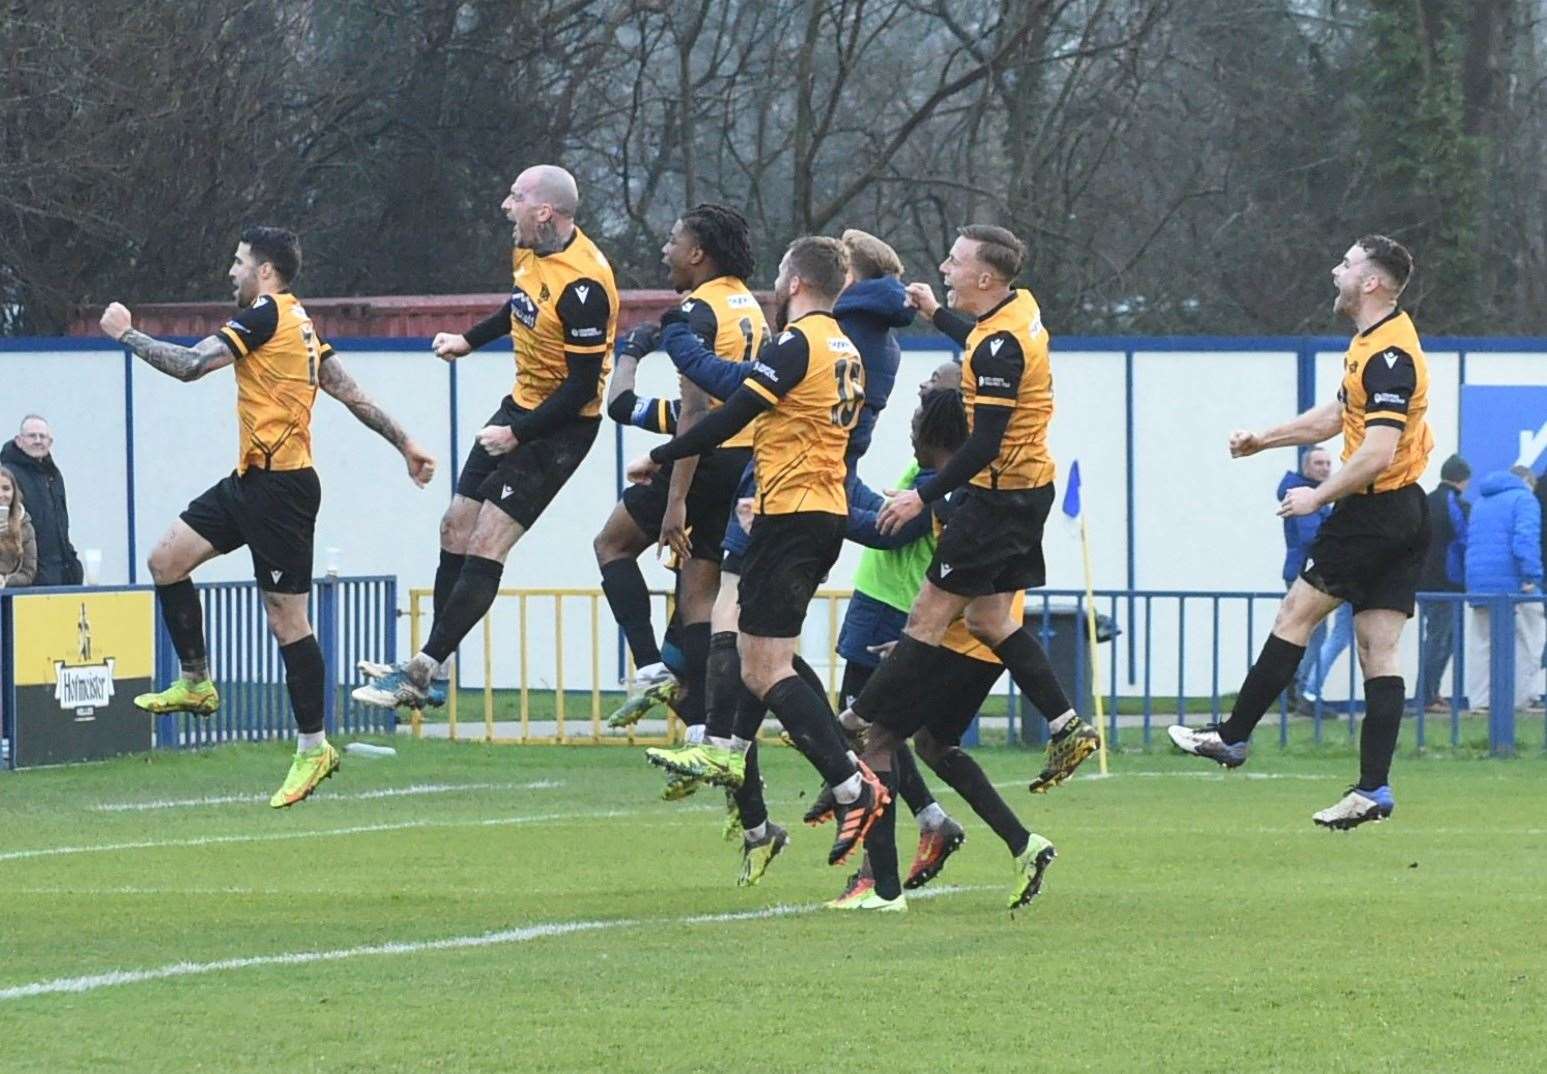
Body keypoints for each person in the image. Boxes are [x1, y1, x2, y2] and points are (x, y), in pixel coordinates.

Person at [99, 225, 435, 807]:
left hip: (283, 490)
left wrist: (125, 333)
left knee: (287, 622)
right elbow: (350, 393)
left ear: (266, 272)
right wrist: (405, 442)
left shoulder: (264, 315)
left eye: (238, 262)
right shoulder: (298, 324)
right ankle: (198, 682)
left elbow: (189, 366)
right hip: (251, 480)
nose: (231, 272)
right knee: (166, 560)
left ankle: (313, 748)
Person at [631, 235, 891, 873]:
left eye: (780, 277)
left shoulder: (800, 342)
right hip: (810, 510)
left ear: (796, 283)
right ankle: (727, 746)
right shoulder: (844, 348)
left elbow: (732, 410)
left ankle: (855, 786)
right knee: (754, 657)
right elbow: (744, 388)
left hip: (795, 512)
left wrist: (661, 455)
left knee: (769, 667)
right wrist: (684, 346)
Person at [837, 224, 1075, 911]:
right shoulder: (1010, 328)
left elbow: (905, 540)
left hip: (957, 634)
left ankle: (878, 885)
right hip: (968, 629)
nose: (945, 385)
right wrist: (933, 313)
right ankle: (1023, 842)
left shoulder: (954, 476)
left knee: (875, 736)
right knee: (935, 745)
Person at [1169, 235, 1432, 830]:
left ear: (1371, 282)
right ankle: (1372, 790)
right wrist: (1265, 439)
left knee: (1295, 614)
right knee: (1378, 648)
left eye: (1347, 263)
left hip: (1376, 511)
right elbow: (1335, 417)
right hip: (1404, 511)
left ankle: (1233, 736)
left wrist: (1318, 493)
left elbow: (1378, 451)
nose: (1335, 269)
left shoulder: (1390, 354)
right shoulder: (1373, 344)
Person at [355, 165, 617, 711]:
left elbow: (582, 388)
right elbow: (519, 308)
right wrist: (470, 340)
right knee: (454, 525)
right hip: (518, 410)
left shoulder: (587, 285)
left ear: (545, 211)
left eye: (516, 196)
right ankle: (436, 660)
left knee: (486, 542)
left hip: (560, 428)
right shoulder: (528, 250)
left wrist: (518, 436)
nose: (505, 204)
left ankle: (421, 670)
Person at [593, 204, 766, 749]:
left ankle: (649, 666)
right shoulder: (752, 307)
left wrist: (675, 501)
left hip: (708, 460)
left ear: (698, 254)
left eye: (673, 242)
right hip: (743, 461)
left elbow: (694, 413)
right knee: (698, 596)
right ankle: (700, 727)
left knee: (612, 545)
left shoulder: (697, 312)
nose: (664, 252)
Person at [1462, 465, 1543, 710]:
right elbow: (1525, 538)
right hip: (1514, 584)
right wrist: (1532, 574)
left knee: (1483, 644)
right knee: (1528, 640)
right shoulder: (1524, 498)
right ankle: (1520, 699)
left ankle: (1480, 702)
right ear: (1528, 481)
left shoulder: (1481, 501)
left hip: (1479, 583)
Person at [1278, 446, 1353, 708]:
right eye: (1319, 463)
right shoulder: (1305, 496)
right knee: (1308, 633)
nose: (1325, 468)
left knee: (1302, 631)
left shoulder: (1313, 495)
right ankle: (1298, 689)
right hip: (1307, 571)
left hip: (1305, 569)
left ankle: (1292, 687)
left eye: (1328, 463)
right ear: (1306, 467)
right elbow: (1311, 536)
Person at [1416, 454, 1470, 710]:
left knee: (1438, 637)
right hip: (1446, 582)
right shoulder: (1454, 504)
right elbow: (1462, 542)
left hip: (1422, 581)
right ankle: (1426, 696)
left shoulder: (1424, 501)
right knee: (1441, 639)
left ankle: (1430, 693)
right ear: (1463, 480)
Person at [0, 416, 82, 586]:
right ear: (19, 440)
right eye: (32, 436)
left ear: (50, 442)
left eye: (42, 436)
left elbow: (61, 526)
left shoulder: (54, 475)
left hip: (59, 575)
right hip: (26, 580)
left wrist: (73, 565)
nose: (38, 441)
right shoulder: (7, 475)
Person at [0, 466, 38, 588]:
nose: (1, 495)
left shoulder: (25, 526)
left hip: (8, 599)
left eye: (6, 489)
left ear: (14, 492)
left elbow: (28, 572)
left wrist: (5, 581)